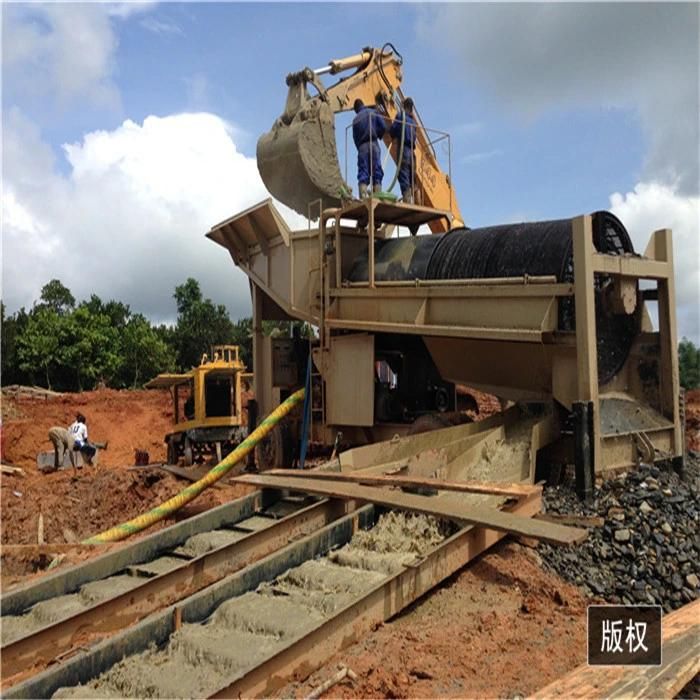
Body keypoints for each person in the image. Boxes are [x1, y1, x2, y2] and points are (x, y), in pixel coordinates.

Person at [352, 98, 386, 198]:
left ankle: (363, 197)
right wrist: (378, 134)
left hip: (362, 147)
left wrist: (360, 148)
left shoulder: (355, 120)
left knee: (363, 172)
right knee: (377, 171)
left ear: (356, 110)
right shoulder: (373, 112)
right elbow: (383, 126)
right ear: (363, 104)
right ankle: (377, 195)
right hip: (374, 144)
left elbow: (355, 138)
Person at [390, 97, 418, 204]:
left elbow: (393, 131)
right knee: (411, 177)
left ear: (403, 106)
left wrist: (390, 132)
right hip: (412, 154)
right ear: (411, 109)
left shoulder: (400, 117)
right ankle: (412, 199)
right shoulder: (414, 123)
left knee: (403, 175)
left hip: (404, 151)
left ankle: (407, 200)